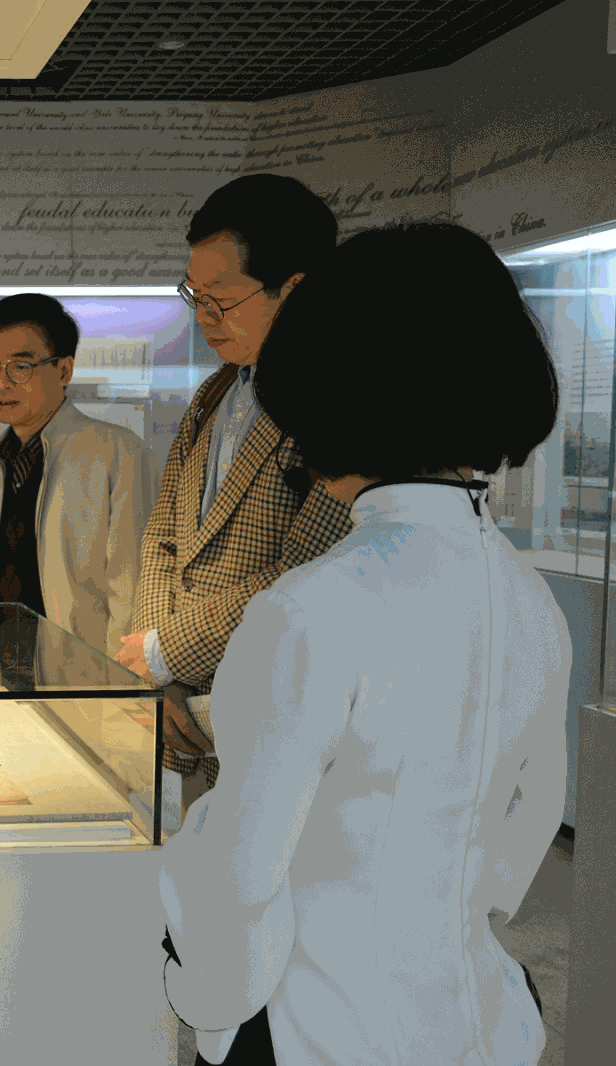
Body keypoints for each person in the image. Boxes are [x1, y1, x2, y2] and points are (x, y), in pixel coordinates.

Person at [159, 222, 566, 1066]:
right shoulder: (529, 598)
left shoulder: (308, 608)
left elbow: (239, 875)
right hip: (481, 1016)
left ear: (326, 388)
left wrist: (202, 1001)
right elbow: (521, 841)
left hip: (318, 1021)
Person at [114, 174, 353, 814]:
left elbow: (308, 572)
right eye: (194, 296)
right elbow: (163, 535)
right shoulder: (217, 390)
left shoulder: (337, 406)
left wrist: (167, 652)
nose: (202, 318)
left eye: (220, 300)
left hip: (275, 708)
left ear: (294, 289)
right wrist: (158, 666)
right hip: (182, 706)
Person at [0, 292, 153, 653]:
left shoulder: (117, 452)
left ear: (64, 370)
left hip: (87, 674)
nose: (0, 383)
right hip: (7, 670)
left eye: (20, 366)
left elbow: (133, 588)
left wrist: (120, 680)